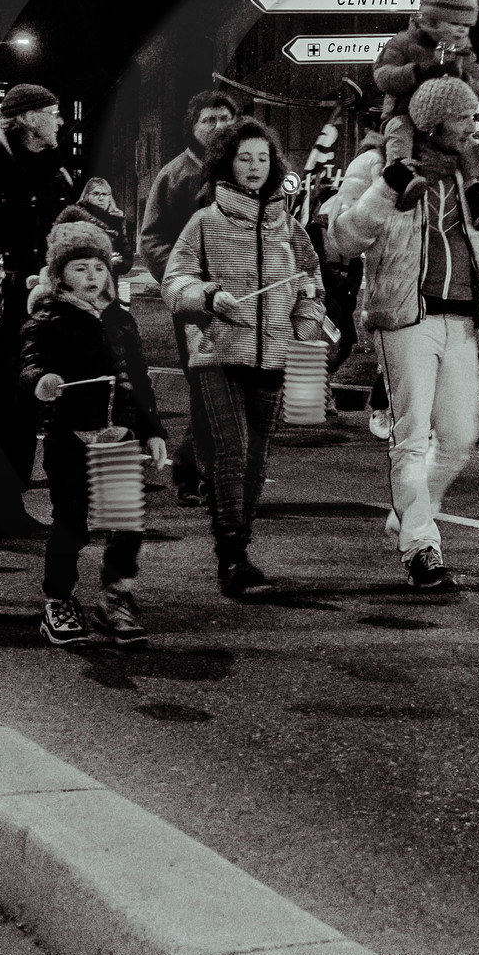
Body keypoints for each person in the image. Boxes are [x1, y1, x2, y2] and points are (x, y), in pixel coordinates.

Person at [330, 75, 479, 591]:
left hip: (464, 319)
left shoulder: (474, 173)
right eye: (465, 117)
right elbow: (342, 238)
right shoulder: (376, 165)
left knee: (460, 435)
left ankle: (412, 512)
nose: (475, 125)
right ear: (435, 122)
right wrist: (389, 187)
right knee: (411, 436)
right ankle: (422, 546)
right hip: (404, 318)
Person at [162, 117, 326, 596]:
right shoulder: (205, 222)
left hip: (275, 357)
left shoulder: (289, 227)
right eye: (244, 157)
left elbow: (313, 284)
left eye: (262, 158)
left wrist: (305, 317)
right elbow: (175, 283)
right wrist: (209, 297)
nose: (254, 167)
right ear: (226, 164)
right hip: (219, 354)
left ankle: (241, 550)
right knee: (231, 453)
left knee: (255, 460)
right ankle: (231, 558)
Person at [20, 222, 168, 646]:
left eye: (99, 268)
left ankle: (116, 597)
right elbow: (28, 365)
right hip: (72, 436)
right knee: (71, 522)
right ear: (59, 273)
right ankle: (59, 600)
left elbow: (138, 381)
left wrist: (151, 431)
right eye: (80, 268)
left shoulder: (120, 320)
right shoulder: (45, 319)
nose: (92, 277)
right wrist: (41, 381)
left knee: (127, 523)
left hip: (118, 435)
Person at [0, 83, 74, 539]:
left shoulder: (53, 168)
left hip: (40, 306)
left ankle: (8, 508)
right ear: (28, 118)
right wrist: (10, 281)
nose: (60, 121)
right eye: (54, 113)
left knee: (27, 406)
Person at [140, 89, 237, 507]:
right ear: (193, 128)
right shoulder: (176, 174)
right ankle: (195, 472)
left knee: (241, 388)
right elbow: (153, 239)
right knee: (206, 387)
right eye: (208, 120)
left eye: (225, 118)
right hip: (199, 305)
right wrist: (184, 284)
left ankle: (213, 468)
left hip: (246, 301)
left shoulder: (247, 167)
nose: (218, 127)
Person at [371, 0, 479, 230]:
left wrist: (464, 79)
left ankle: (478, 195)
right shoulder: (403, 43)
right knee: (399, 130)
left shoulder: (464, 53)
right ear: (432, 20)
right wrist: (418, 71)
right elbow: (382, 76)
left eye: (467, 25)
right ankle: (401, 175)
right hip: (404, 114)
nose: (461, 29)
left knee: (468, 145)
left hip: (448, 125)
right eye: (455, 22)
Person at [68, 175, 133, 275]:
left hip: (109, 283)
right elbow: (69, 254)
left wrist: (119, 262)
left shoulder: (116, 221)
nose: (101, 198)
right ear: (87, 196)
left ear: (109, 197)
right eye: (96, 193)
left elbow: (127, 259)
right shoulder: (75, 218)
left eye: (104, 194)